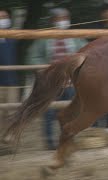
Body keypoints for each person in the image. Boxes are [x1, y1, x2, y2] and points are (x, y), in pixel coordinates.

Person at [25, 8, 87, 150]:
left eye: (66, 18)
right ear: (53, 21)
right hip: (51, 84)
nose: (64, 22)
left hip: (71, 83)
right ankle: (50, 142)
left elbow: (86, 52)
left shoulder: (75, 37)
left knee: (71, 112)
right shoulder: (44, 38)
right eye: (60, 19)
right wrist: (45, 70)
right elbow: (32, 57)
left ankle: (68, 139)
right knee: (49, 113)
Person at [0, 9, 19, 123]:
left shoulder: (14, 36)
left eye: (5, 17)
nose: (3, 20)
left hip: (12, 82)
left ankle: (9, 138)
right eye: (0, 18)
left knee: (12, 114)